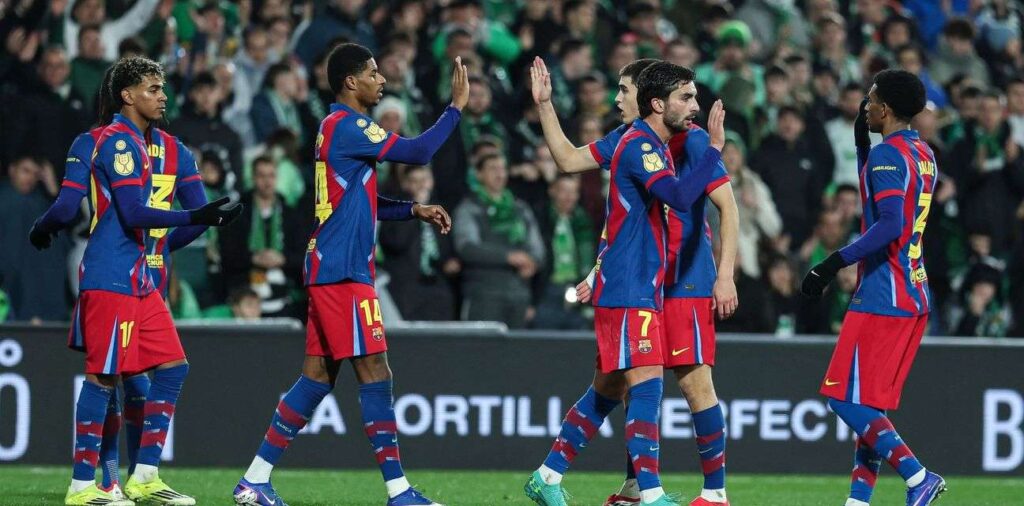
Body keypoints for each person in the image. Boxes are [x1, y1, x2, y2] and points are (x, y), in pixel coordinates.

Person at [232, 43, 467, 506]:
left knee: (317, 377)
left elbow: (360, 201)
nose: (382, 80)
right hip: (342, 270)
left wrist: (413, 209)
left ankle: (254, 480)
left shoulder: (335, 129)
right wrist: (455, 109)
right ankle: (399, 492)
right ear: (350, 82)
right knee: (375, 369)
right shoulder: (352, 124)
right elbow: (418, 150)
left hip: (329, 264)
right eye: (373, 73)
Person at [28, 55, 241, 506]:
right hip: (113, 273)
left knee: (170, 367)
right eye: (153, 88)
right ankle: (85, 484)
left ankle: (143, 475)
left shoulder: (102, 141)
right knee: (107, 377)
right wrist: (192, 218)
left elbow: (69, 210)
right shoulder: (122, 144)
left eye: (163, 88)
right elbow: (133, 212)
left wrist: (44, 228)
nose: (164, 95)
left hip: (141, 277)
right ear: (126, 95)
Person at [532, 55, 739, 505]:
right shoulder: (637, 142)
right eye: (687, 97)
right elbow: (570, 162)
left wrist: (725, 275)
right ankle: (645, 489)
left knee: (643, 383)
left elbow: (726, 206)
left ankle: (701, 491)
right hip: (637, 283)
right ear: (658, 103)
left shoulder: (688, 141)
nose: (617, 99)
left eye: (622, 90)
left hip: (682, 280)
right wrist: (545, 106)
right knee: (634, 383)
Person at [800, 70, 946, 506]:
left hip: (883, 293)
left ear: (886, 108)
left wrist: (830, 264)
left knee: (843, 400)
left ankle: (918, 475)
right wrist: (864, 143)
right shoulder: (923, 153)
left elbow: (889, 224)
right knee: (870, 409)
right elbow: (887, 198)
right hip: (914, 292)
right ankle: (858, 502)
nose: (865, 107)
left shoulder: (888, 157)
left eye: (871, 100)